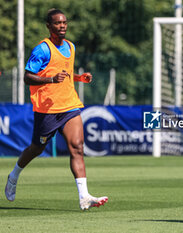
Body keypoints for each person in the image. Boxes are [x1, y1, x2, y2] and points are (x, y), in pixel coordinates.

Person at [4, 9, 108, 210]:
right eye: (58, 23)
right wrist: (50, 80)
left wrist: (79, 78)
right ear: (49, 26)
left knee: (77, 147)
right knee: (37, 148)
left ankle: (84, 196)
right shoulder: (42, 50)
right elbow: (27, 76)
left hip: (69, 106)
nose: (62, 26)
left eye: (65, 23)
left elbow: (64, 73)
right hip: (47, 110)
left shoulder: (71, 46)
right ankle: (14, 175)